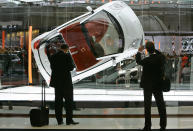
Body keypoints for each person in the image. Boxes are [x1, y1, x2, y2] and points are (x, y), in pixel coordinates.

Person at [135, 41, 167, 131]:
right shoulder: (160, 58)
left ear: (147, 50)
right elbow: (162, 55)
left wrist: (139, 51)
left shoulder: (147, 60)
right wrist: (153, 49)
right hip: (158, 85)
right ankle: (163, 126)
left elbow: (138, 61)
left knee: (147, 106)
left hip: (148, 86)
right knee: (161, 105)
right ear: (154, 49)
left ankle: (147, 126)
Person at [47, 44, 79, 125]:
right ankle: (69, 120)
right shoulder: (67, 56)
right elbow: (71, 68)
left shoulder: (53, 56)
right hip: (66, 82)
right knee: (68, 102)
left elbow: (52, 68)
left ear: (60, 48)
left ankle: (59, 121)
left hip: (57, 82)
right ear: (66, 49)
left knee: (58, 102)